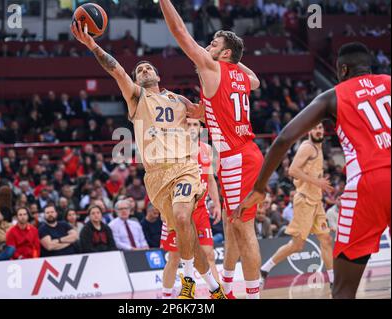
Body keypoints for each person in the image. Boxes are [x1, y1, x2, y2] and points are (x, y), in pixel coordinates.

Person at [71, 21, 226, 299]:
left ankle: (187, 281)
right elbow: (116, 69)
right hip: (155, 176)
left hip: (184, 167)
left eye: (148, 68)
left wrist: (209, 73)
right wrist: (93, 45)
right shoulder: (136, 96)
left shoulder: (177, 100)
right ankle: (214, 289)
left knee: (181, 215)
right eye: (139, 69)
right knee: (185, 228)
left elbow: (205, 112)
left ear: (157, 74)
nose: (144, 70)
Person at [238, 42, 391, 299]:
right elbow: (295, 169)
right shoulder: (388, 81)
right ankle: (268, 268)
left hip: (369, 182)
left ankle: (269, 269)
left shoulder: (333, 95)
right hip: (307, 199)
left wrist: (259, 187)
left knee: (343, 289)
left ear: (342, 70)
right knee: (304, 242)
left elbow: (284, 138)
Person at [160, 0, 262, 299]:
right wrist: (192, 109)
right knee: (233, 224)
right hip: (247, 152)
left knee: (244, 229)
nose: (207, 46)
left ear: (224, 53)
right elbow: (254, 83)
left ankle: (253, 296)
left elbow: (179, 31)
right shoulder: (243, 76)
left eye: (214, 43)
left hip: (235, 157)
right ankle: (228, 290)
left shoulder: (211, 67)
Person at [259, 123, 335, 288]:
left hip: (316, 202)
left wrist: (319, 185)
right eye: (315, 128)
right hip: (304, 201)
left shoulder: (319, 147)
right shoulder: (307, 147)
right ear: (309, 131)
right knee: (297, 245)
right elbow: (292, 170)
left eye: (321, 128)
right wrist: (318, 182)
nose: (318, 130)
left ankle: (333, 281)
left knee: (326, 239)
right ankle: (265, 268)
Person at [160, 117, 223, 299]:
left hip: (200, 209)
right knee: (174, 257)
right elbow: (164, 182)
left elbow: (210, 179)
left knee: (209, 254)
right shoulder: (173, 149)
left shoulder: (208, 150)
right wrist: (164, 209)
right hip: (177, 208)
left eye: (196, 124)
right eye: (188, 124)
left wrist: (217, 203)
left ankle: (216, 295)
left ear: (201, 128)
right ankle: (167, 297)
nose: (192, 127)